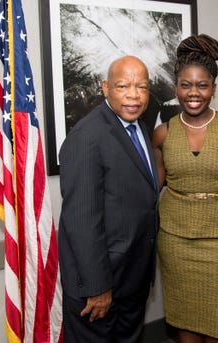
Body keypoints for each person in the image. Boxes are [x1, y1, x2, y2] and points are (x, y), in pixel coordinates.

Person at [152, 34, 218, 343]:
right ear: (176, 88)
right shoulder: (162, 134)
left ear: (213, 88)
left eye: (202, 85)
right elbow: (152, 191)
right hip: (177, 244)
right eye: (185, 85)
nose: (193, 93)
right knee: (185, 322)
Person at [58, 55, 159, 343]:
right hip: (100, 287)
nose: (133, 95)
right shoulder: (87, 136)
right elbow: (81, 221)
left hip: (131, 279)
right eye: (123, 86)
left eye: (141, 87)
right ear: (105, 88)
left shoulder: (139, 128)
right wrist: (99, 287)